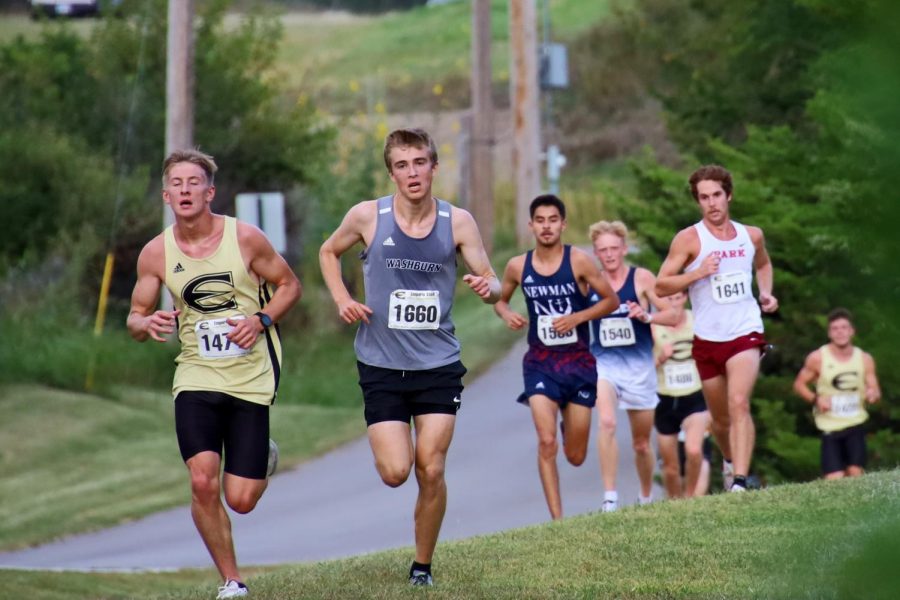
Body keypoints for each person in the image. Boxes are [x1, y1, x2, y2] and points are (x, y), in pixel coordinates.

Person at [318, 128, 499, 587]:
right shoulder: (367, 216)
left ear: (434, 167)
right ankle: (418, 550)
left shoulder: (457, 222)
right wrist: (342, 297)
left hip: (438, 363)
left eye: (420, 162)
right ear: (391, 172)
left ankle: (422, 566)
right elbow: (328, 251)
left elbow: (493, 281)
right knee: (397, 472)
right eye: (402, 165)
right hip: (380, 364)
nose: (412, 173)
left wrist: (487, 287)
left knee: (431, 467)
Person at [128, 149, 301, 599]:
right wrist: (146, 325)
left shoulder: (245, 239)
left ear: (210, 192)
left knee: (240, 499)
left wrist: (260, 320)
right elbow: (135, 316)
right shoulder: (155, 253)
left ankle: (261, 454)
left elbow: (289, 285)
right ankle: (232, 581)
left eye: (194, 183)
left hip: (250, 377)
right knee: (202, 479)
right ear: (167, 195)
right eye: (177, 184)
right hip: (196, 376)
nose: (185, 191)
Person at [494, 195, 619, 520]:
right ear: (531, 225)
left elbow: (611, 300)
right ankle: (557, 521)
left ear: (562, 224)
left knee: (575, 456)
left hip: (578, 364)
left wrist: (578, 318)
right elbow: (499, 299)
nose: (546, 226)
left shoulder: (579, 261)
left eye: (553, 220)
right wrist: (506, 314)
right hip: (541, 363)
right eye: (540, 220)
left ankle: (569, 421)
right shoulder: (517, 266)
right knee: (546, 441)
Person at [656, 164, 778, 492]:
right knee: (721, 420)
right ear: (698, 202)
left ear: (729, 196)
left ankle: (739, 480)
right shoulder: (689, 240)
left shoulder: (751, 235)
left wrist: (765, 292)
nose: (712, 203)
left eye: (717, 195)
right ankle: (728, 461)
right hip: (708, 339)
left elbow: (763, 264)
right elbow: (661, 285)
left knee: (739, 402)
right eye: (704, 197)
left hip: (745, 332)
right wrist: (696, 273)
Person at [588, 220, 677, 512]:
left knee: (641, 443)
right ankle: (610, 498)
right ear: (596, 253)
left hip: (640, 370)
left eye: (614, 248)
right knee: (608, 422)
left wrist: (647, 317)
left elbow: (673, 315)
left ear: (624, 249)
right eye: (603, 250)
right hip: (605, 367)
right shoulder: (591, 282)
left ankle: (646, 496)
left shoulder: (642, 279)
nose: (610, 254)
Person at [793, 308, 881, 479]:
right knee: (835, 478)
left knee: (856, 473)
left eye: (844, 327)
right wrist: (816, 399)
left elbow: (874, 388)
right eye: (835, 328)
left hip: (855, 423)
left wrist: (872, 393)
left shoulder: (864, 359)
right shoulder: (818, 358)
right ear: (829, 333)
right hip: (829, 426)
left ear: (852, 331)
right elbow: (799, 384)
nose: (840, 332)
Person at [652, 290, 711, 498]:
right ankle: (675, 504)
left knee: (694, 452)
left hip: (694, 396)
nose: (674, 304)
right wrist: (660, 358)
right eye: (669, 299)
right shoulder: (653, 325)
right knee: (670, 467)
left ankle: (689, 497)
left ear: (685, 297)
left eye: (677, 298)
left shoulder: (696, 320)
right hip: (664, 398)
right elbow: (641, 368)